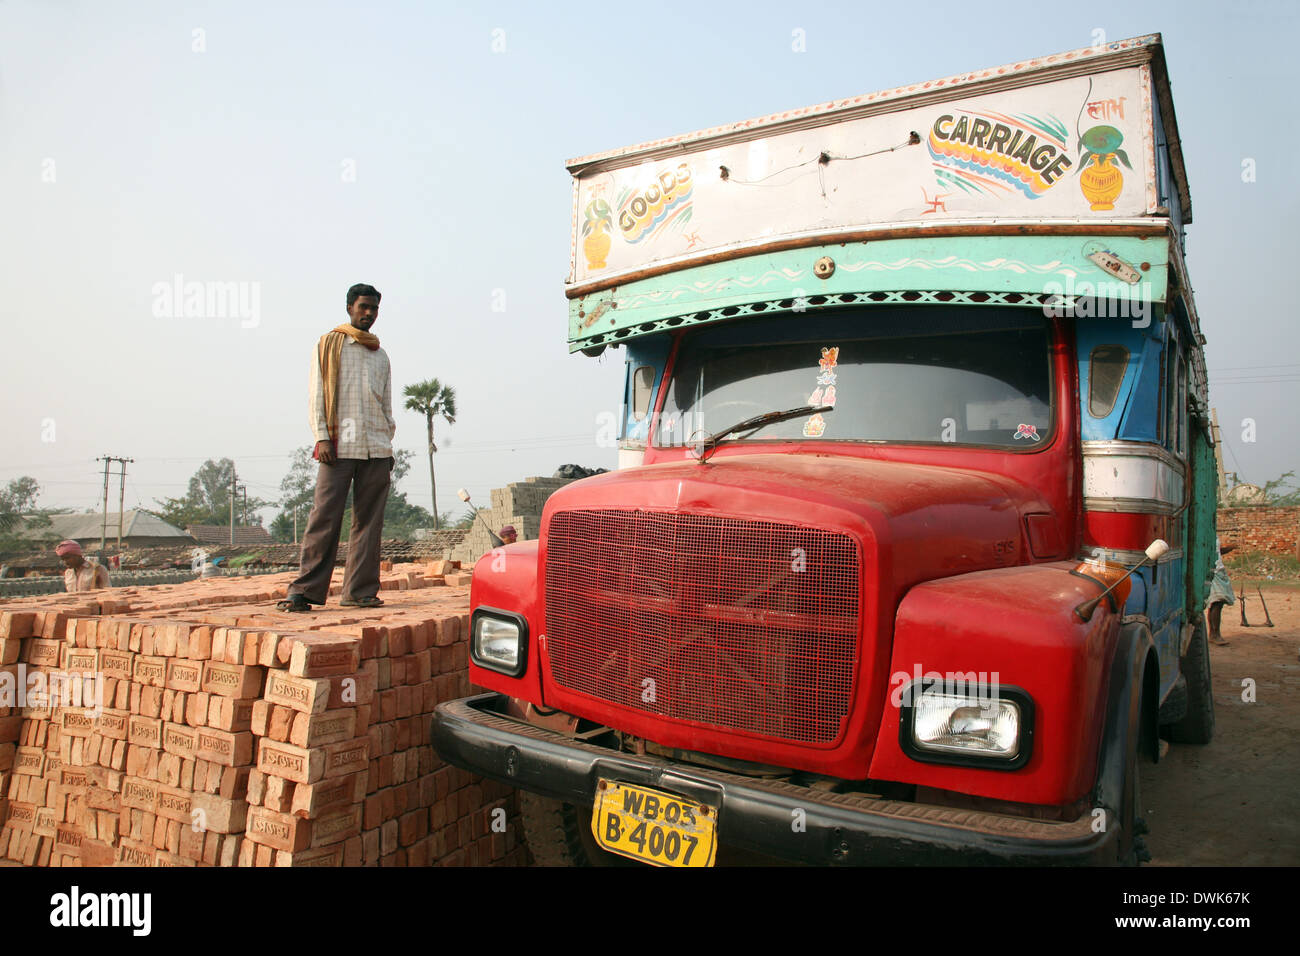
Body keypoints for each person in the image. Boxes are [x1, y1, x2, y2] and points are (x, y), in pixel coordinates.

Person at [278, 283, 396, 612]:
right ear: (349, 308)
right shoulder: (330, 344)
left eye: (374, 308)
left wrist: (388, 441)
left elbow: (386, 405)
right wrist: (320, 436)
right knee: (324, 518)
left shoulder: (381, 354)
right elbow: (317, 392)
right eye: (363, 307)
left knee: (369, 523)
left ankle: (359, 592)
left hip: (376, 447)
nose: (369, 314)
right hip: (338, 446)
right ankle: (303, 591)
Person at [1206, 536, 1235, 646]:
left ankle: (1213, 633)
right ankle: (1215, 634)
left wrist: (1230, 548)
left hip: (1219, 570)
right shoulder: (1206, 534)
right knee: (1217, 602)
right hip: (1214, 570)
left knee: (1216, 604)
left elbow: (1217, 552)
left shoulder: (1213, 534)